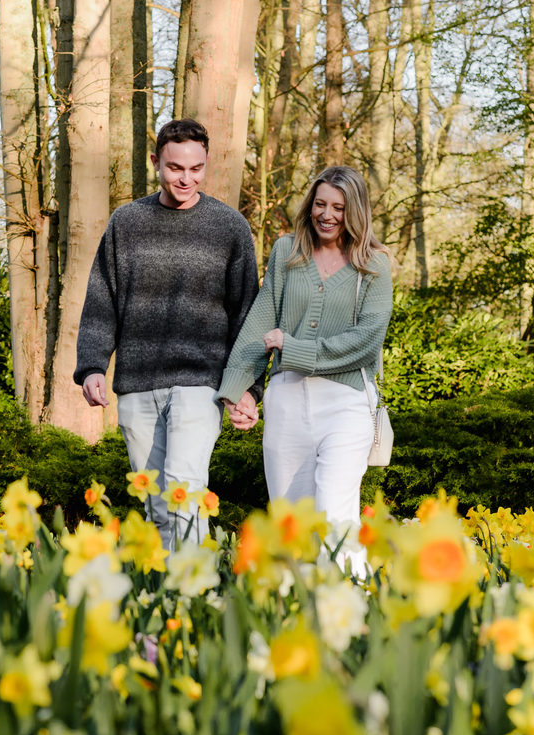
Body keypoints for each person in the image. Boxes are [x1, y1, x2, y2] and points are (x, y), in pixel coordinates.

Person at [74, 118, 261, 551]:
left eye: (197, 168)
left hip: (201, 382)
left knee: (185, 494)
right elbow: (103, 298)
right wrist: (92, 366)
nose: (187, 178)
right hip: (138, 383)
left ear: (206, 163)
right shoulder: (127, 223)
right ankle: (163, 609)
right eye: (176, 167)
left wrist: (248, 387)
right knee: (156, 505)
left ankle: (192, 600)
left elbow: (247, 314)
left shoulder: (230, 227)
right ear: (157, 161)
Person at [216, 165, 393, 575]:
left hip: (346, 403)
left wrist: (293, 347)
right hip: (287, 401)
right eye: (320, 204)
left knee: (335, 513)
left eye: (338, 207)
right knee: (291, 520)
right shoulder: (286, 251)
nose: (326, 215)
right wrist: (238, 390)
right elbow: (261, 323)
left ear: (356, 212)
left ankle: (352, 610)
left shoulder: (374, 265)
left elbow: (367, 341)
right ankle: (295, 613)